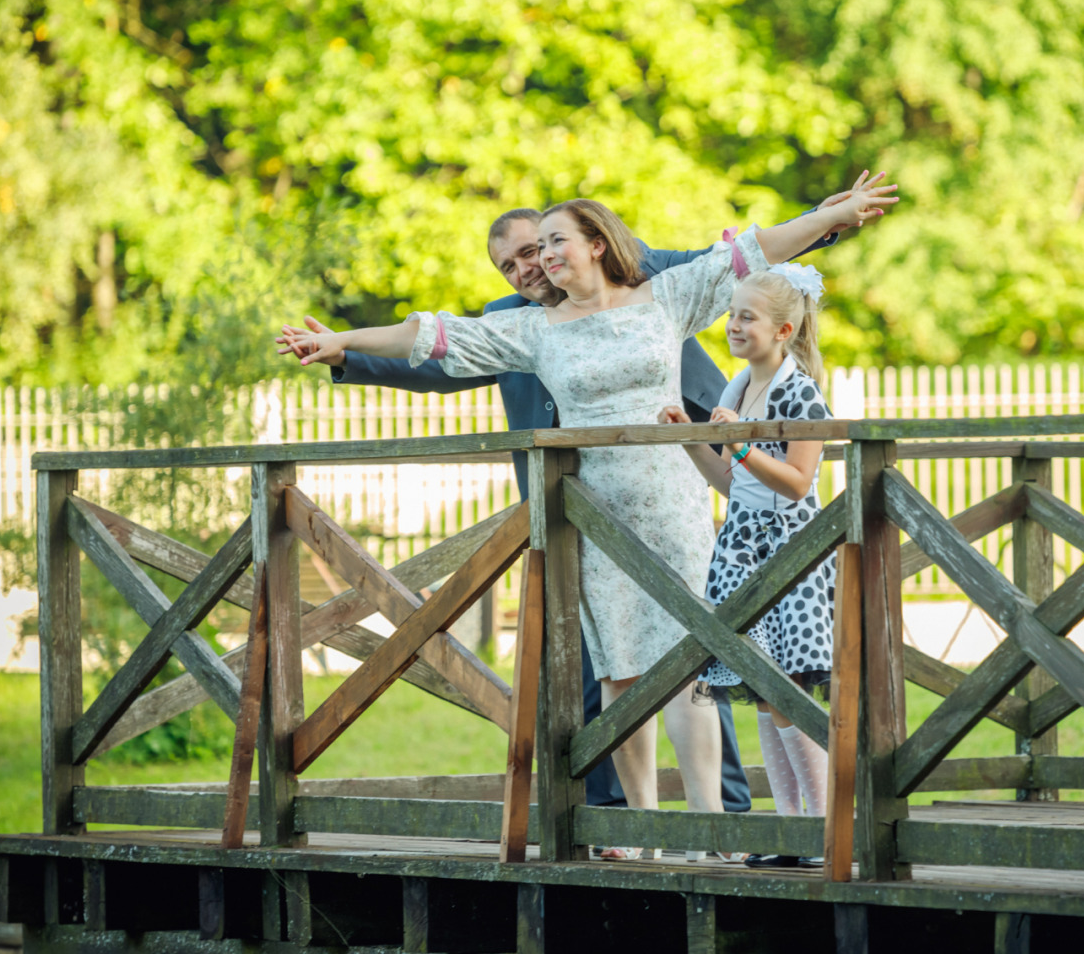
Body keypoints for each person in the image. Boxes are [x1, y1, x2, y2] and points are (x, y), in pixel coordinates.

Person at [278, 174, 897, 860]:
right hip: (594, 512)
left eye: (553, 242)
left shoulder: (664, 296)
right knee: (623, 668)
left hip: (673, 501)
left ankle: (705, 829)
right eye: (534, 248)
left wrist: (831, 212)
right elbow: (434, 337)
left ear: (597, 244)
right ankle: (643, 829)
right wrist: (343, 343)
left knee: (692, 662)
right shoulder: (532, 329)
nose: (539, 258)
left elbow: (750, 252)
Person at [659, 261, 838, 868]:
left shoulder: (800, 392)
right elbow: (733, 487)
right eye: (731, 314)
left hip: (788, 546)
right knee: (760, 688)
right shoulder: (736, 389)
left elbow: (796, 484)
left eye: (747, 316)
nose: (733, 325)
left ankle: (820, 830)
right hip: (740, 544)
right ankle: (789, 834)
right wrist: (694, 439)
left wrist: (739, 443)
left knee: (787, 687)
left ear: (784, 330)